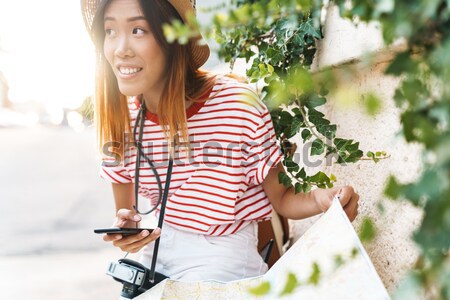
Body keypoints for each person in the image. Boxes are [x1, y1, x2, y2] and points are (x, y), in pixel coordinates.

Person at [82, 0, 359, 285]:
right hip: (157, 256)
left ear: (173, 38)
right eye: (110, 31)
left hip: (225, 259)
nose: (120, 49)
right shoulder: (122, 118)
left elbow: (282, 199)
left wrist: (322, 201)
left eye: (138, 30)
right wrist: (128, 232)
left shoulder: (238, 104)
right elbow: (127, 217)